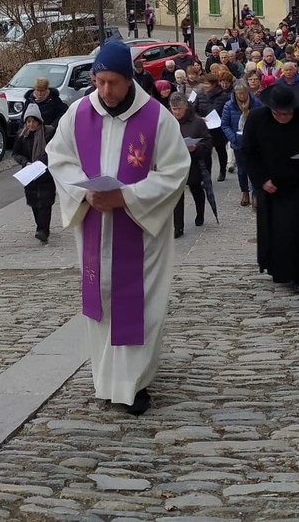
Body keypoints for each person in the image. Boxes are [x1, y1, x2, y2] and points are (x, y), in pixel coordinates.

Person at [45, 41, 191, 416]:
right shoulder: (78, 114)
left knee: (140, 305)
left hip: (140, 234)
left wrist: (127, 197)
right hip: (95, 227)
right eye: (99, 81)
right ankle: (106, 380)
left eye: (112, 82)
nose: (105, 90)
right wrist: (85, 194)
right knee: (102, 302)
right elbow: (59, 158)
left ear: (129, 80)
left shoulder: (156, 118)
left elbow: (175, 170)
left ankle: (136, 383)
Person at [241, 85, 299, 295]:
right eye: (280, 114)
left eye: (289, 113)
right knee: (273, 229)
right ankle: (278, 270)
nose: (285, 117)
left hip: (298, 183)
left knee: (294, 228)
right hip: (269, 184)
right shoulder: (257, 119)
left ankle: (298, 275)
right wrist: (260, 180)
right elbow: (248, 153)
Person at [168, 92, 211, 237]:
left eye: (179, 109)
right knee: (177, 196)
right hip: (173, 164)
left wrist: (196, 148)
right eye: (173, 109)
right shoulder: (167, 122)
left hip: (193, 163)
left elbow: (208, 142)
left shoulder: (197, 122)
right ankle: (178, 227)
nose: (176, 112)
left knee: (196, 189)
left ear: (185, 107)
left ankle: (200, 213)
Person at [13, 103, 56, 243]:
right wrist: (25, 162)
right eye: (28, 121)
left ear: (39, 121)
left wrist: (41, 162)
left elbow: (53, 151)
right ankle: (40, 226)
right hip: (29, 174)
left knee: (45, 202)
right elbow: (16, 153)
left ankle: (43, 230)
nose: (30, 124)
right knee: (34, 202)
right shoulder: (22, 135)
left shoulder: (48, 132)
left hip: (45, 173)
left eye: (33, 121)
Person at [221, 79, 261, 208]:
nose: (242, 95)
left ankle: (256, 194)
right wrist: (233, 138)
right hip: (238, 142)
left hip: (254, 142)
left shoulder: (256, 103)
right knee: (242, 170)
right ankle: (245, 192)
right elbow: (225, 124)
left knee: (255, 169)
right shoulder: (229, 105)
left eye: (244, 92)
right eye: (239, 93)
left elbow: (262, 121)